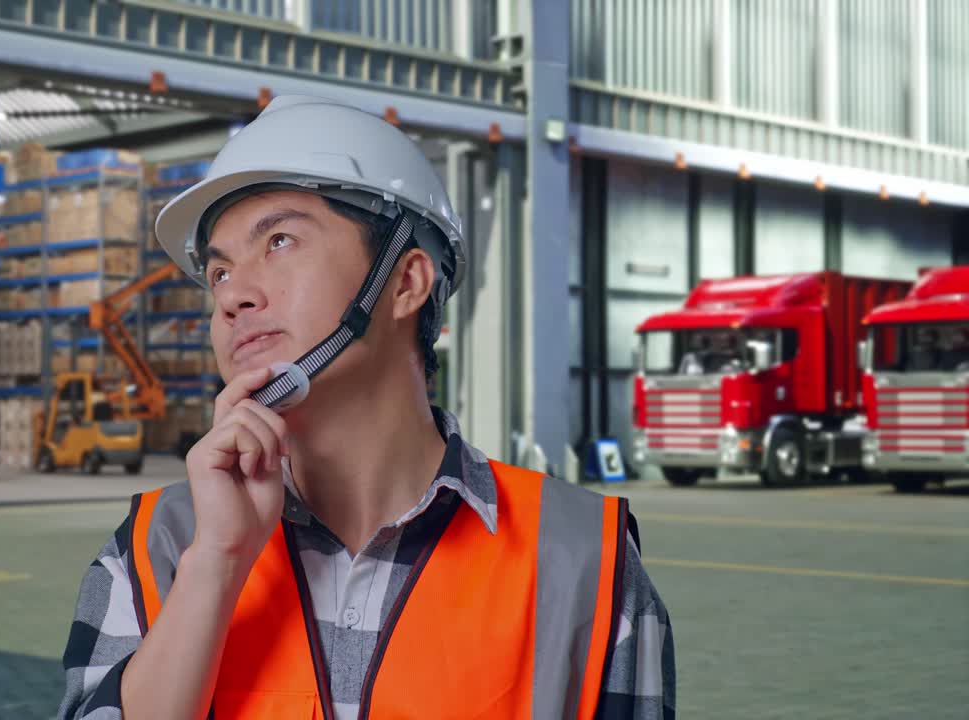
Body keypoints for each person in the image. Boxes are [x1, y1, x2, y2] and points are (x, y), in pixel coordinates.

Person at [58, 95, 675, 720]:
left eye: (278, 240)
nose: (232, 297)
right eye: (218, 274)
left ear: (406, 282)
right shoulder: (154, 549)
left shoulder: (581, 562)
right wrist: (214, 565)